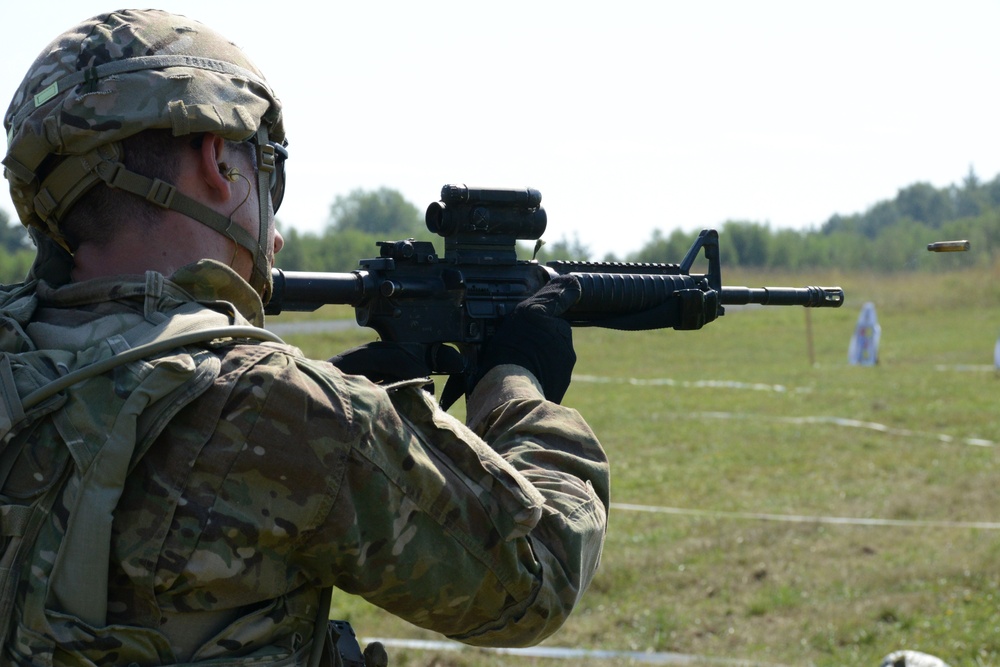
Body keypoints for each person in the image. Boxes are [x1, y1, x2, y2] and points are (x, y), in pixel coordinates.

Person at [0, 9, 609, 667]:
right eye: (269, 168)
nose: (276, 226)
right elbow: (537, 572)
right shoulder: (277, 408)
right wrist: (517, 382)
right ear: (218, 163)